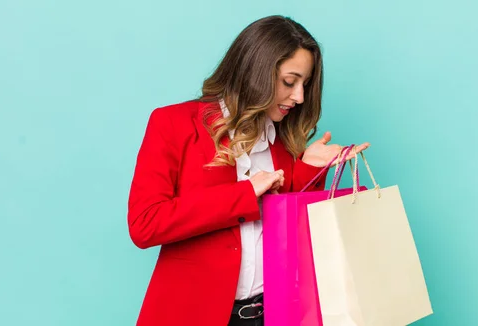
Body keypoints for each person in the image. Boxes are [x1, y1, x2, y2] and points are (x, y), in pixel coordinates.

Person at [127, 15, 370, 326]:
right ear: (255, 70)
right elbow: (145, 224)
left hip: (274, 314)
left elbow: (288, 232)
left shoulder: (282, 140)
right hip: (195, 315)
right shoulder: (173, 124)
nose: (299, 97)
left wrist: (311, 165)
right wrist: (242, 195)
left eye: (304, 85)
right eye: (289, 81)